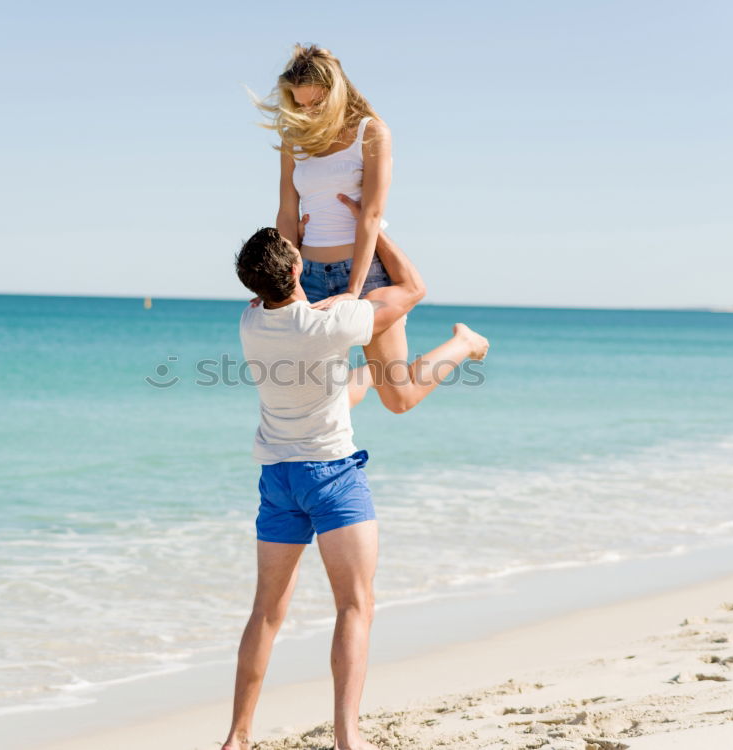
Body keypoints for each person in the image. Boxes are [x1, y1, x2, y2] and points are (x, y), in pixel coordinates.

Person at [223, 223, 488, 750]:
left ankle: (238, 737)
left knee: (266, 613)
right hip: (331, 476)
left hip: (278, 478)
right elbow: (413, 290)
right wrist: (376, 230)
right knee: (354, 606)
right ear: (298, 270)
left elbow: (290, 302)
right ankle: (348, 738)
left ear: (254, 288)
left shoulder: (251, 322)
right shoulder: (333, 323)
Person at [255, 43, 480, 413]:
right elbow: (286, 213)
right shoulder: (293, 140)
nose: (307, 111)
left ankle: (465, 342)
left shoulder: (371, 133)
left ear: (336, 92)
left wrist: (354, 291)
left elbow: (371, 216)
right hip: (307, 276)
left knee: (398, 398)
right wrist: (280, 282)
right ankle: (369, 376)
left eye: (315, 103)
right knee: (316, 401)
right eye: (300, 104)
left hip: (367, 275)